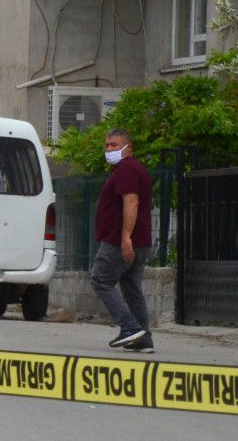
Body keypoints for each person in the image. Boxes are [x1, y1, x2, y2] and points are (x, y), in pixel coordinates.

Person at [91, 128, 156, 353]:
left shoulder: (126, 169)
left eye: (114, 145)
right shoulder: (136, 169)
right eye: (107, 145)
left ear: (128, 147)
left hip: (121, 241)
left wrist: (125, 236)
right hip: (141, 241)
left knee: (100, 280)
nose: (109, 149)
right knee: (131, 287)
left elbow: (131, 201)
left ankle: (129, 327)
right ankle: (143, 338)